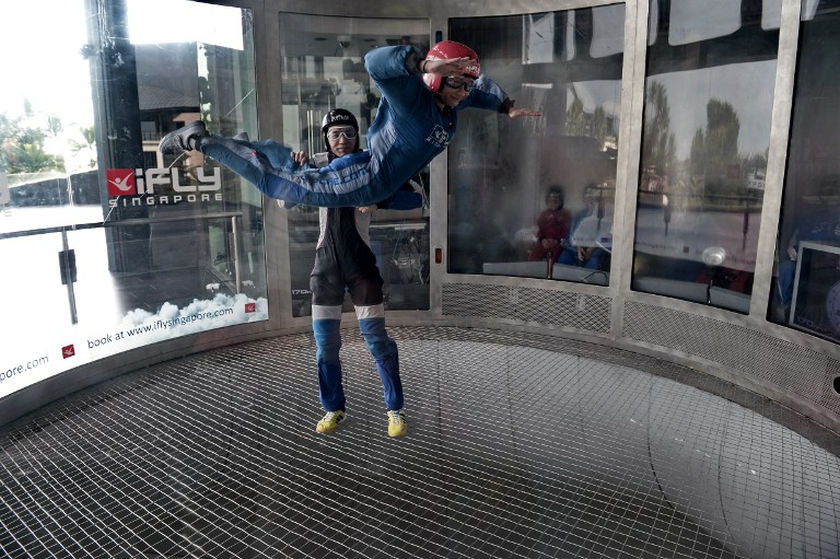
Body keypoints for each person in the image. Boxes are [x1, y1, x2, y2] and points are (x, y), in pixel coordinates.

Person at [158, 40, 540, 208]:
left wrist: (504, 107)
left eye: (466, 83)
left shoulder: (452, 100)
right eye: (456, 81)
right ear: (437, 80)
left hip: (373, 180)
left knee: (291, 168)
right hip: (367, 176)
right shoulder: (414, 99)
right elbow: (375, 63)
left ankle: (245, 147)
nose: (463, 91)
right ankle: (200, 142)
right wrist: (423, 63)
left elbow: (479, 89)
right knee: (278, 185)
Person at [298, 109, 422, 438]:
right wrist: (297, 168)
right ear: (325, 137)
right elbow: (284, 201)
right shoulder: (317, 165)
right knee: (325, 347)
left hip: (361, 265)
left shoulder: (371, 166)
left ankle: (395, 410)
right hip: (325, 267)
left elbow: (416, 198)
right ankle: (333, 408)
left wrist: (379, 202)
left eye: (349, 134)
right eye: (335, 134)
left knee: (377, 341)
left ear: (358, 137)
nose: (343, 140)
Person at [527, 187, 570, 263]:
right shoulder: (543, 214)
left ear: (560, 202)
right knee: (533, 257)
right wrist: (542, 239)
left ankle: (549, 273)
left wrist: (557, 241)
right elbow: (538, 229)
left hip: (557, 243)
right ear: (547, 202)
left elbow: (566, 231)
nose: (553, 203)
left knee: (552, 260)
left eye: (556, 201)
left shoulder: (565, 215)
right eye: (551, 201)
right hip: (543, 242)